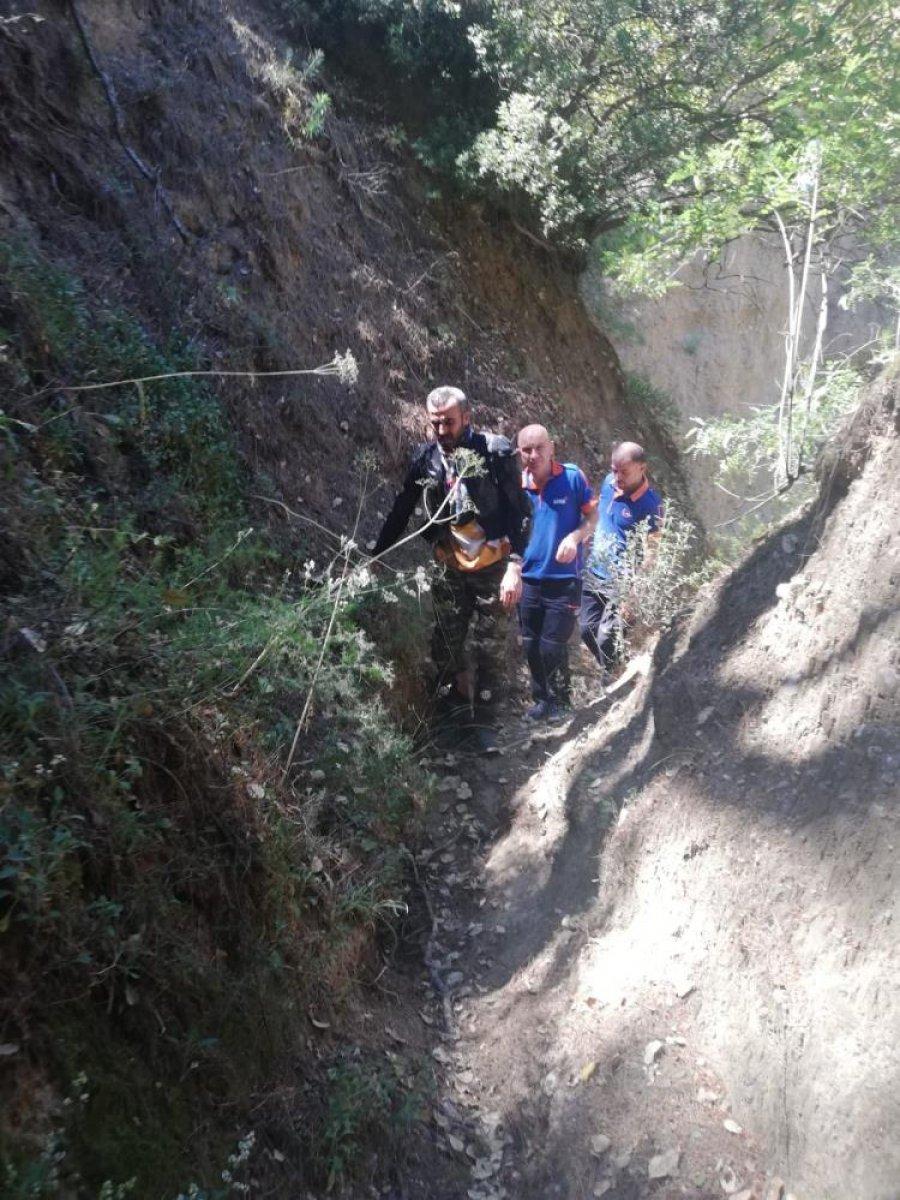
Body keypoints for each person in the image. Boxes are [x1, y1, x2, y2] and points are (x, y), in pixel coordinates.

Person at [372, 386, 531, 751]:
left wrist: (515, 567)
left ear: (467, 418)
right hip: (449, 565)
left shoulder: (495, 453)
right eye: (435, 424)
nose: (442, 431)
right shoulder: (426, 458)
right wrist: (376, 552)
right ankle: (453, 714)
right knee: (445, 644)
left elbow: (522, 512)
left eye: (449, 423)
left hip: (493, 566)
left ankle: (486, 724)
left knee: (489, 646)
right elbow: (402, 507)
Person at [517, 424, 596, 720]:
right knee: (530, 644)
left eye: (539, 448)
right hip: (528, 579)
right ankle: (541, 701)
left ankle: (561, 702)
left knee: (552, 645)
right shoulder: (517, 485)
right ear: (519, 452)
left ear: (552, 448)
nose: (533, 455)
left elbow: (592, 516)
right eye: (527, 449)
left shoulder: (573, 478)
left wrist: (575, 538)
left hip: (564, 580)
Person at [580, 441, 663, 678]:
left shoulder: (651, 505)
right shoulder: (608, 483)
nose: (617, 477)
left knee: (608, 635)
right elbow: (600, 510)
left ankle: (617, 679)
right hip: (595, 571)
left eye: (624, 472)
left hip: (623, 583)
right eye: (614, 469)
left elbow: (652, 552)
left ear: (642, 468)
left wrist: (634, 594)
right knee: (587, 630)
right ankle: (618, 671)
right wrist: (591, 532)